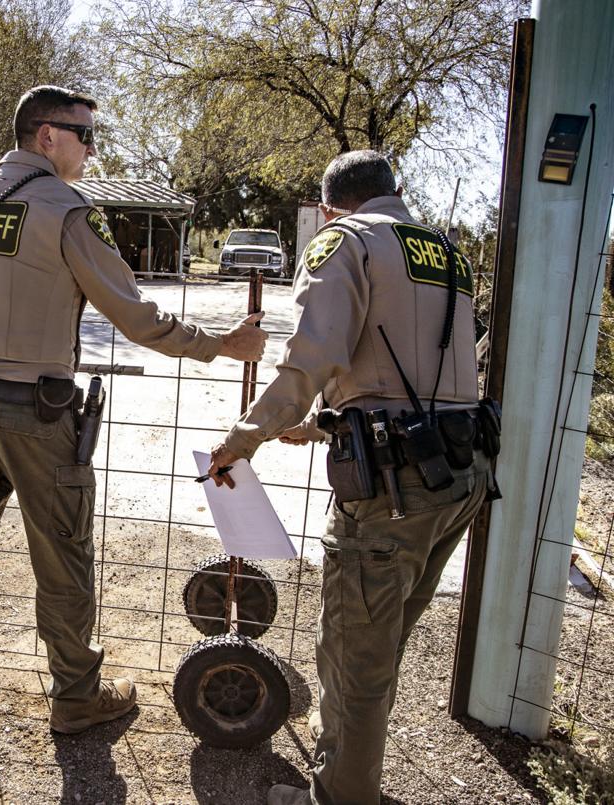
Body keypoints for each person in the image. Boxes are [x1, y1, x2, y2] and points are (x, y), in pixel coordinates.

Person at [0, 85, 269, 734]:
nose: (93, 148)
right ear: (46, 136)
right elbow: (137, 316)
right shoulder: (66, 210)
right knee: (63, 555)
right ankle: (75, 698)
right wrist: (223, 345)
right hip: (39, 419)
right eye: (85, 135)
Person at [205, 150, 496, 804]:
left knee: (352, 657)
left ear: (331, 206)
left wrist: (242, 438)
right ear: (393, 191)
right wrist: (319, 426)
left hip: (393, 493)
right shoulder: (445, 252)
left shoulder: (345, 242)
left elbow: (312, 358)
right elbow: (415, 375)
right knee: (379, 641)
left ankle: (337, 794)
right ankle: (344, 741)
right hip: (460, 474)